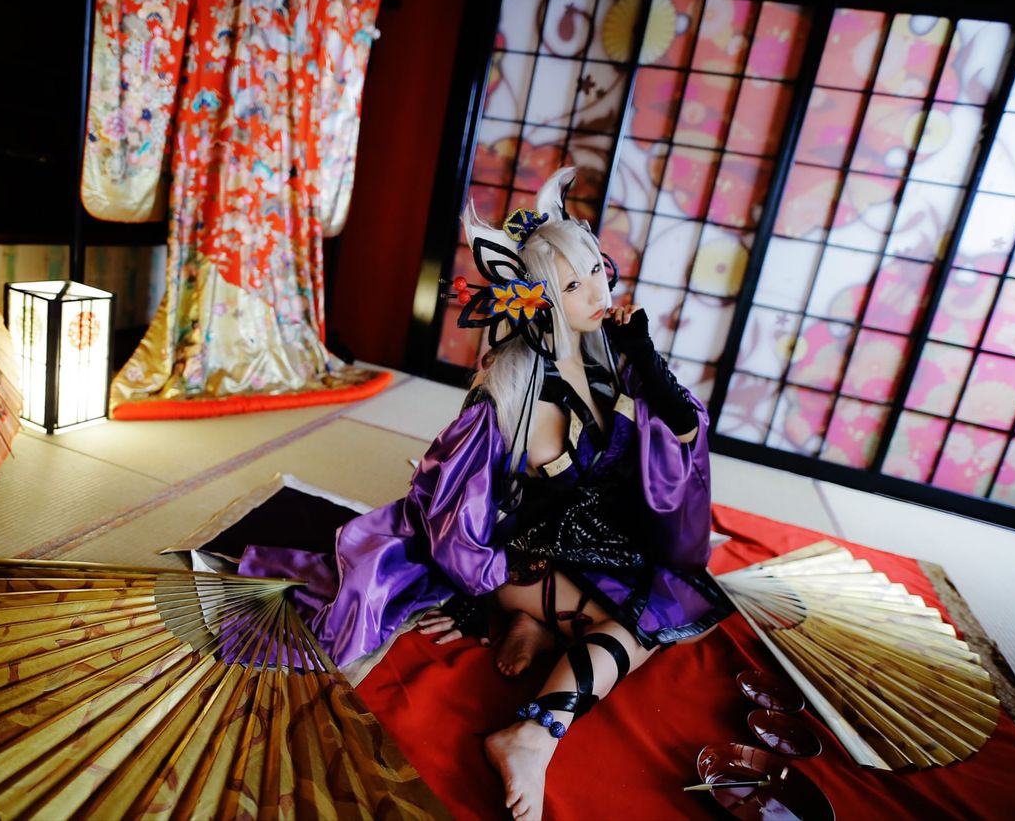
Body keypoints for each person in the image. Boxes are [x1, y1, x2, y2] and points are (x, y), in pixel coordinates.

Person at [238, 167, 733, 821]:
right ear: (537, 301)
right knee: (649, 619)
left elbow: (685, 433)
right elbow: (450, 511)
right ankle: (532, 734)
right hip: (521, 560)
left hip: (595, 550)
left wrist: (642, 354)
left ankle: (538, 629)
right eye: (572, 285)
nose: (597, 292)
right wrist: (473, 597)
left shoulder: (611, 358)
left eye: (597, 270)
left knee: (676, 592)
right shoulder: (505, 400)